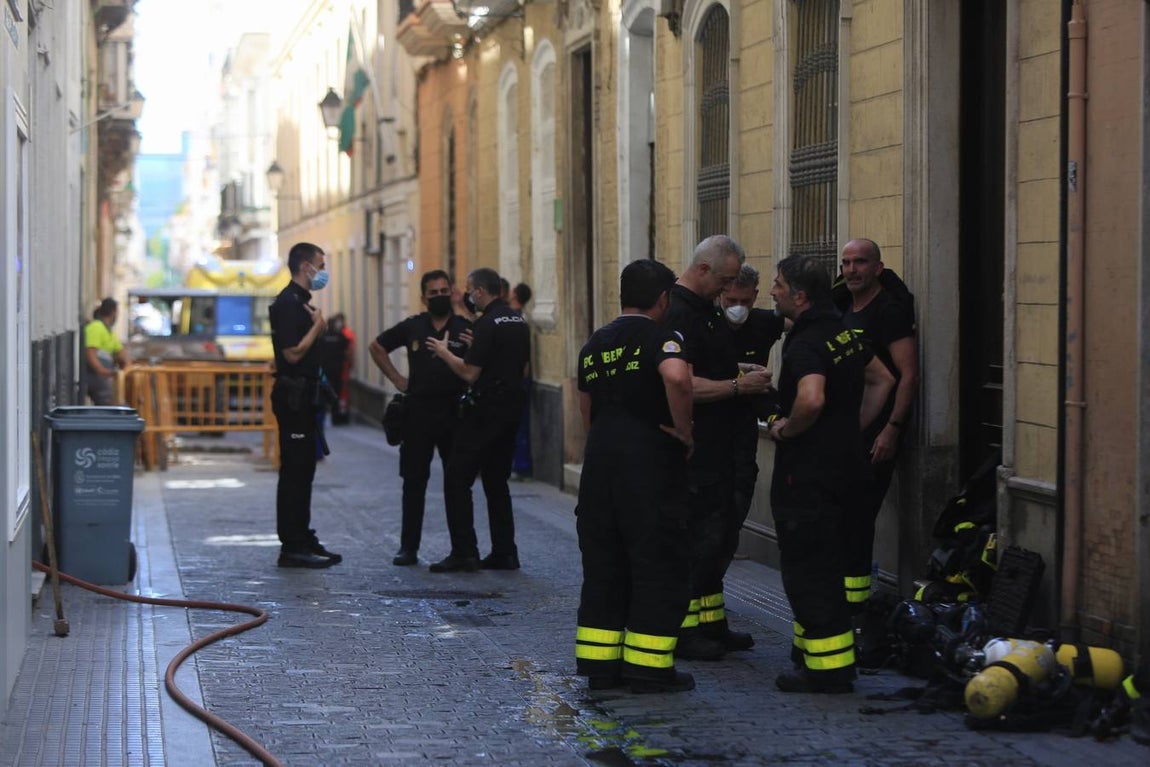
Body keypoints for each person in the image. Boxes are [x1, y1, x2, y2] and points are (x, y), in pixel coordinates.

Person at [765, 254, 893, 693]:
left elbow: (812, 398)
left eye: (778, 284)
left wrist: (788, 429)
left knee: (809, 572)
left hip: (809, 478)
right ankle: (817, 658)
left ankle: (827, 671)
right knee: (834, 565)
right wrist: (850, 428)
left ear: (800, 296)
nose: (772, 291)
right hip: (849, 468)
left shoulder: (804, 344)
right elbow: (882, 380)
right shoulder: (844, 331)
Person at [574, 259, 696, 694]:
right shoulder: (662, 338)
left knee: (604, 568)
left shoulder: (595, 343)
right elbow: (678, 378)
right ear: (663, 299)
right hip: (648, 472)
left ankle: (599, 667)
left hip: (600, 470)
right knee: (655, 565)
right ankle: (648, 669)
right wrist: (684, 431)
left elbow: (584, 401)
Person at [661, 235, 774, 660]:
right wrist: (736, 384)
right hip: (702, 453)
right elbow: (682, 382)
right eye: (724, 281)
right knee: (698, 541)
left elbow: (707, 365)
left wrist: (736, 369)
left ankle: (712, 622)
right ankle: (685, 632)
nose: (728, 292)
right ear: (704, 270)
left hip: (727, 449)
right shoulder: (680, 313)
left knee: (719, 541)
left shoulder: (706, 311)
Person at [426, 267, 531, 572]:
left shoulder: (487, 322)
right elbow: (514, 364)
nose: (468, 297)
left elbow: (470, 373)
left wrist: (445, 352)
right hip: (511, 408)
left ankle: (464, 551)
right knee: (497, 481)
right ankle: (505, 551)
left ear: (482, 291)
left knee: (457, 477)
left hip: (486, 411)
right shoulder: (516, 320)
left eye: (470, 291)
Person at [835, 238, 918, 610]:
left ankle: (856, 606)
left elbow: (909, 374)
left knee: (857, 519)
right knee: (841, 517)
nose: (852, 270)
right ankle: (841, 597)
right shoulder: (841, 305)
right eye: (846, 263)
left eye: (860, 263)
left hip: (875, 436)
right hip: (844, 432)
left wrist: (892, 429)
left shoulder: (888, 311)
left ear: (878, 268)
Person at [370, 270, 472, 566]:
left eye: (444, 291)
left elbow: (480, 361)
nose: (439, 296)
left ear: (452, 292)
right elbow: (377, 347)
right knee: (413, 482)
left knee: (457, 482)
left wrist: (476, 344)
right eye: (433, 292)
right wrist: (398, 379)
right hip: (419, 414)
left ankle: (463, 550)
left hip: (454, 412)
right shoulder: (414, 326)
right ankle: (408, 548)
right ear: (423, 297)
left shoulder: (465, 328)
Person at [268, 242, 342, 569]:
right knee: (295, 472)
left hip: (306, 398)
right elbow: (292, 354)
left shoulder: (302, 303)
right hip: (293, 398)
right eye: (321, 265)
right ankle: (292, 545)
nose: (323, 272)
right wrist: (318, 328)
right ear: (305, 267)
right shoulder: (287, 304)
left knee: (305, 470)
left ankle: (303, 535)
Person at [718, 264, 786, 575]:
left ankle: (715, 575)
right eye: (731, 301)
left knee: (738, 499)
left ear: (756, 297)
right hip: (709, 426)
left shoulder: (764, 323)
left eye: (744, 302)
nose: (737, 309)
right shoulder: (705, 324)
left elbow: (806, 324)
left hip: (745, 427)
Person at [84, 298, 132, 405]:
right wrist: (103, 371)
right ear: (113, 312)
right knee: (111, 405)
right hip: (95, 376)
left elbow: (120, 351)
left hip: (104, 376)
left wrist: (127, 366)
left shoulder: (108, 331)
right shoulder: (96, 327)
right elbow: (90, 353)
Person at [508, 282, 533, 479]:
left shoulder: (516, 319)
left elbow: (523, 353)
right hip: (520, 377)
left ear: (515, 295)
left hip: (518, 379)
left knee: (519, 426)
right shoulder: (523, 317)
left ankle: (521, 466)